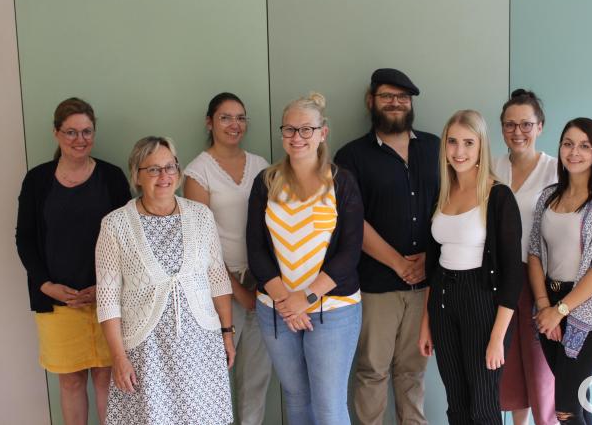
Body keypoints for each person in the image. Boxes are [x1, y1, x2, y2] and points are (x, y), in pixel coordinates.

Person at [96, 136, 234, 425]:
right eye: (154, 170)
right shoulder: (115, 225)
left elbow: (218, 278)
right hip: (147, 352)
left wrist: (227, 333)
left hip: (200, 345)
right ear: (137, 175)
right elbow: (107, 299)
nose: (164, 176)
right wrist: (119, 358)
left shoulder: (200, 216)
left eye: (170, 167)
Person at [247, 92, 363, 425]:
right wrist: (286, 301)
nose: (297, 138)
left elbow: (349, 252)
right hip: (276, 310)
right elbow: (255, 249)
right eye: (290, 130)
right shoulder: (266, 182)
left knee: (328, 406)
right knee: (297, 401)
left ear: (322, 133)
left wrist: (306, 298)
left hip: (333, 310)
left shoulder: (342, 182)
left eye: (306, 130)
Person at [15, 97, 130, 425]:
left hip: (108, 302)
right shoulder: (37, 181)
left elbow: (128, 238)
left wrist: (107, 288)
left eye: (86, 132)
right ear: (56, 133)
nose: (80, 139)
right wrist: (46, 285)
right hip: (58, 304)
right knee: (70, 381)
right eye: (71, 132)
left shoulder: (111, 177)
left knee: (109, 381)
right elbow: (24, 238)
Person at [334, 68, 439, 425]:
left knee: (413, 373)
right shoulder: (351, 156)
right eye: (387, 96)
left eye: (402, 97)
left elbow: (452, 208)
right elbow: (351, 221)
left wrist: (429, 261)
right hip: (376, 285)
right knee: (372, 371)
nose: (395, 103)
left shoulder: (437, 148)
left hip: (427, 284)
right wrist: (398, 263)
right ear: (371, 101)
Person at [418, 110, 523, 424]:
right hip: (443, 302)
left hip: (483, 304)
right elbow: (432, 267)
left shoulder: (498, 196)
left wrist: (497, 338)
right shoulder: (442, 194)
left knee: (484, 405)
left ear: (481, 148)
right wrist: (426, 322)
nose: (459, 151)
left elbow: (512, 275)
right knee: (457, 404)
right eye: (452, 142)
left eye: (468, 143)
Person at [529, 118, 592, 425]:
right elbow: (534, 252)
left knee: (565, 407)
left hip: (588, 308)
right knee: (577, 402)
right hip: (548, 303)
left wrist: (561, 310)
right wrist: (545, 307)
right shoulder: (548, 196)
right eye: (568, 143)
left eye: (584, 146)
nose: (574, 152)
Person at [184, 92, 271, 425]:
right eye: (225, 117)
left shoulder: (261, 165)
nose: (235, 125)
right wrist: (237, 290)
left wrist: (263, 286)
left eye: (240, 118)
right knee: (218, 376)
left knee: (256, 379)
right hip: (218, 289)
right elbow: (201, 245)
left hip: (263, 282)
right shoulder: (197, 172)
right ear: (210, 122)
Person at [493, 89, 558, 425]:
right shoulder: (492, 168)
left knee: (542, 369)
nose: (517, 132)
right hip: (501, 281)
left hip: (539, 280)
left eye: (526, 124)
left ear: (540, 126)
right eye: (509, 124)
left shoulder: (555, 171)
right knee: (513, 369)